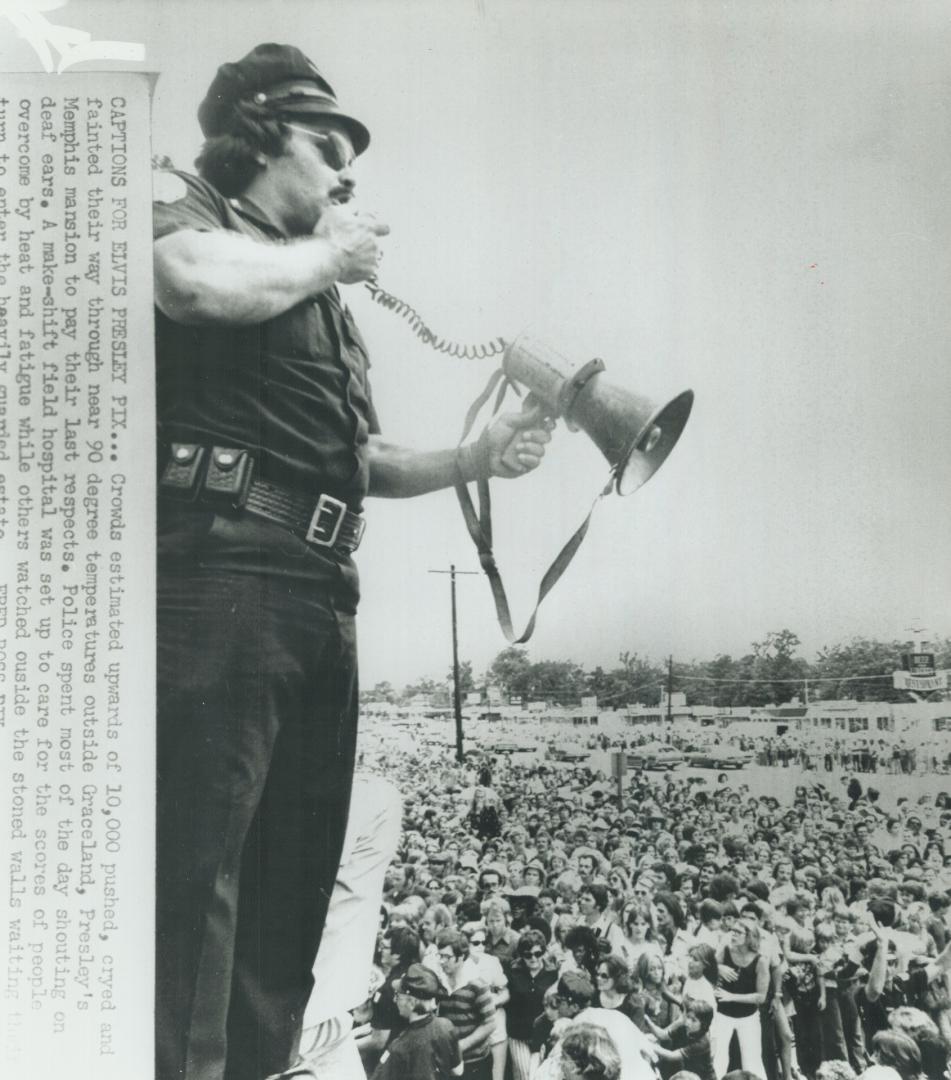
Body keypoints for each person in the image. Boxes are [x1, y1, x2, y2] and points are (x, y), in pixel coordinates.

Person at [153, 40, 553, 1080]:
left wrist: (470, 459)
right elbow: (182, 286)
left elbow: (355, 457)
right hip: (219, 582)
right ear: (250, 139)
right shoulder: (188, 220)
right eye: (324, 143)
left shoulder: (316, 295)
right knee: (200, 892)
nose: (345, 173)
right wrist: (329, 258)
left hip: (319, 595)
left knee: (287, 896)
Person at [371, 963, 464, 1080]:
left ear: (412, 1003)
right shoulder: (446, 1026)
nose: (394, 1000)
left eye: (398, 995)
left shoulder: (399, 1047)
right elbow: (458, 1070)